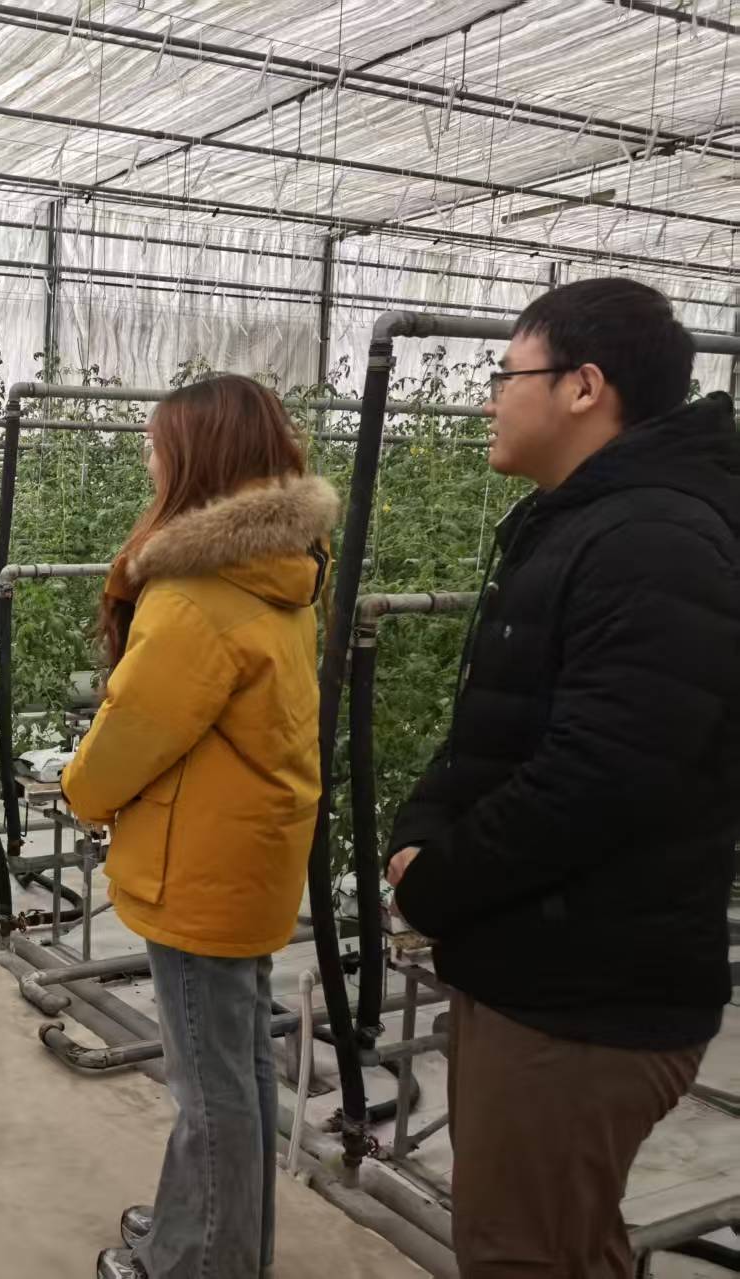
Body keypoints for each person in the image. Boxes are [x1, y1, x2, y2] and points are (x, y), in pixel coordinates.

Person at [385, 279, 740, 1278]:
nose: (489, 396)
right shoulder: (584, 522)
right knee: (550, 1241)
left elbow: (598, 778)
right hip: (541, 968)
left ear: (583, 386)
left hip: (583, 995)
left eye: (507, 373)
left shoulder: (653, 541)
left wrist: (435, 879)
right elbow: (493, 730)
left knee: (525, 1254)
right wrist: (420, 827)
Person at [61, 375, 336, 1279]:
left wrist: (78, 789)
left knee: (209, 1085)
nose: (150, 457)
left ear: (198, 457)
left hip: (198, 864)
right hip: (248, 853)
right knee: (240, 1066)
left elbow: (133, 729)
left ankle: (199, 1260)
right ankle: (215, 1230)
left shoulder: (196, 595)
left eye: (159, 443)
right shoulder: (284, 569)